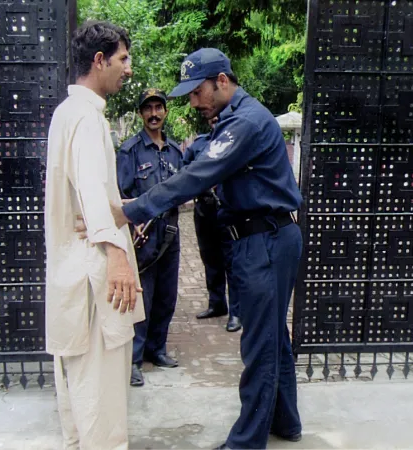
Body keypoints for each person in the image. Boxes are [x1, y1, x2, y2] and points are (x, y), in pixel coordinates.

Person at [111, 48, 304, 449]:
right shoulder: (232, 120)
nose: (193, 102)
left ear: (221, 81)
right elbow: (195, 159)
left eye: (197, 93)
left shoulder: (246, 123)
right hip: (262, 238)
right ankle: (285, 422)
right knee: (271, 336)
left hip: (265, 240)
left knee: (260, 344)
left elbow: (195, 176)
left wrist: (131, 211)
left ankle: (246, 443)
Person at [45, 21, 144, 450]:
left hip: (75, 279)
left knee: (81, 408)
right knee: (102, 414)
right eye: (123, 59)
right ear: (99, 60)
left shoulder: (69, 113)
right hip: (95, 282)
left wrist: (123, 213)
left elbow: (90, 194)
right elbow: (87, 187)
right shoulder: (86, 118)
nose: (128, 70)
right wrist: (117, 254)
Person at [116, 88, 183, 387]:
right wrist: (133, 224)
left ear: (165, 112)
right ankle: (132, 360)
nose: (154, 113)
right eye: (148, 109)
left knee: (167, 295)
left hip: (170, 232)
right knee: (142, 295)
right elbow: (120, 194)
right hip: (142, 235)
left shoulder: (176, 152)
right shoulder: (129, 151)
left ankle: (157, 349)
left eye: (159, 107)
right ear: (141, 114)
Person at [182, 119, 241, 333]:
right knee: (210, 258)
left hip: (228, 210)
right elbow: (185, 171)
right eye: (213, 118)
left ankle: (236, 312)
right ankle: (217, 304)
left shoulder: (236, 141)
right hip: (204, 209)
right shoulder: (198, 145)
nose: (216, 120)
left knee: (231, 261)